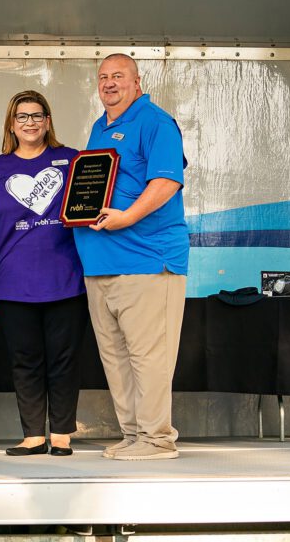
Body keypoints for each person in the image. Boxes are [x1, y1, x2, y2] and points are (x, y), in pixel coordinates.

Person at [74, 54, 188, 461]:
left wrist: (128, 217)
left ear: (137, 81)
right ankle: (135, 433)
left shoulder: (155, 122)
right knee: (116, 358)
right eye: (103, 77)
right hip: (100, 264)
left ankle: (157, 439)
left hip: (147, 260)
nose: (109, 83)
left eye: (118, 76)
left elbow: (166, 182)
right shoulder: (99, 127)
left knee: (148, 357)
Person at [0, 90, 86, 457]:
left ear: (48, 121)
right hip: (11, 282)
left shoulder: (73, 161)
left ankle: (62, 434)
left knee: (64, 360)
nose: (30, 122)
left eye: (37, 115)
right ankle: (34, 435)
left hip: (66, 278)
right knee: (25, 361)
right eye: (22, 116)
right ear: (11, 124)